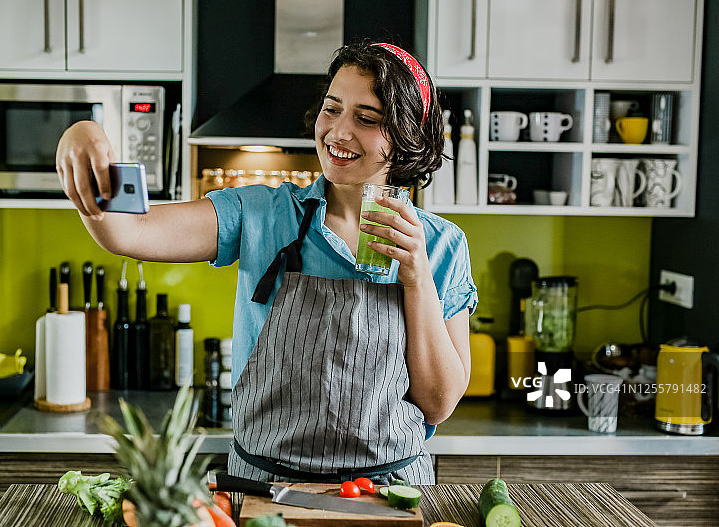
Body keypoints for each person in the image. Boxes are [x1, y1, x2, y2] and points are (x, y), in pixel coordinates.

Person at [56, 41, 477, 484]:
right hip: (263, 487)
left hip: (388, 493)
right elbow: (130, 232)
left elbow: (437, 404)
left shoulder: (442, 244)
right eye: (332, 109)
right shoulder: (260, 214)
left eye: (366, 119)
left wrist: (417, 277)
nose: (338, 132)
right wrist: (82, 137)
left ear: (407, 137)